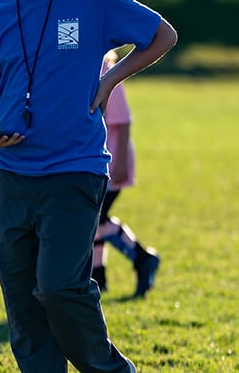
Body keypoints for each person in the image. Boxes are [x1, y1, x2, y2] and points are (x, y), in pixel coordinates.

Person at [0, 0, 177, 372]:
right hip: (12, 176)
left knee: (59, 286)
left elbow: (163, 34)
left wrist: (111, 77)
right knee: (22, 300)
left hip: (74, 170)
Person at [89, 49, 160, 298]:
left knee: (95, 219)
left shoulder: (107, 73)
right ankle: (99, 276)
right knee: (96, 219)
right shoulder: (85, 70)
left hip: (112, 160)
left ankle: (141, 257)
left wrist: (119, 163)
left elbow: (124, 120)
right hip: (95, 161)